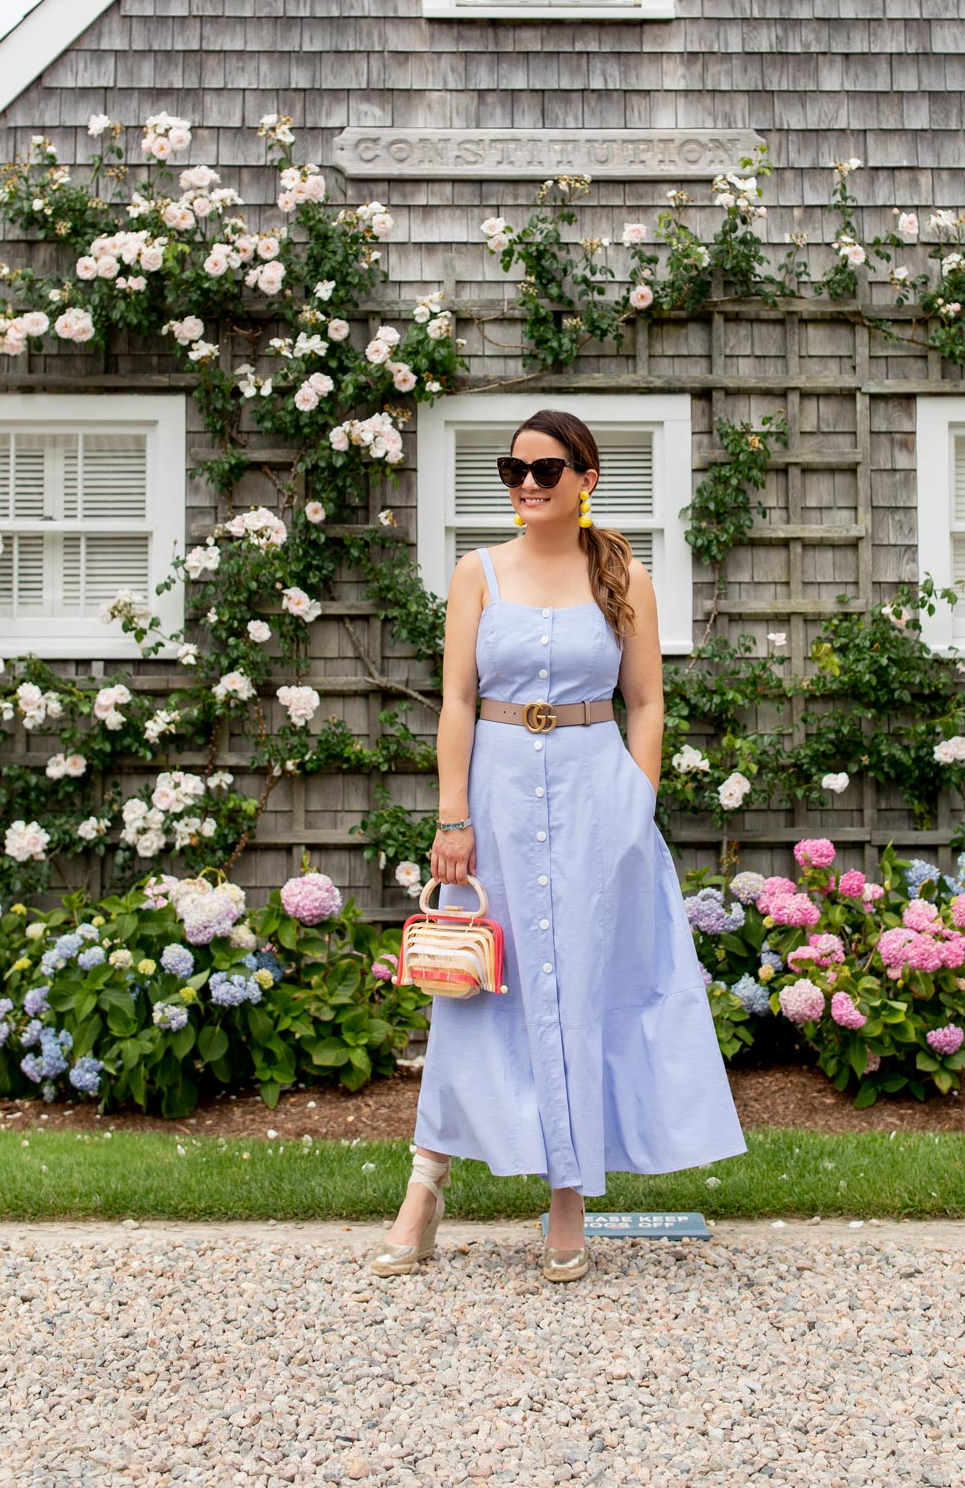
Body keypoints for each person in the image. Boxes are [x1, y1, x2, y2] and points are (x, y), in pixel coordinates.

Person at [370, 408, 748, 1280]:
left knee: (580, 983)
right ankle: (425, 1187)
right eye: (515, 469)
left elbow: (647, 703)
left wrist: (634, 800)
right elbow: (457, 702)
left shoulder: (623, 577)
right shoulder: (479, 573)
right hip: (496, 796)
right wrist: (451, 817)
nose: (528, 484)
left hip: (593, 793)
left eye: (547, 469)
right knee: (473, 985)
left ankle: (568, 1196)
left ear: (587, 479)